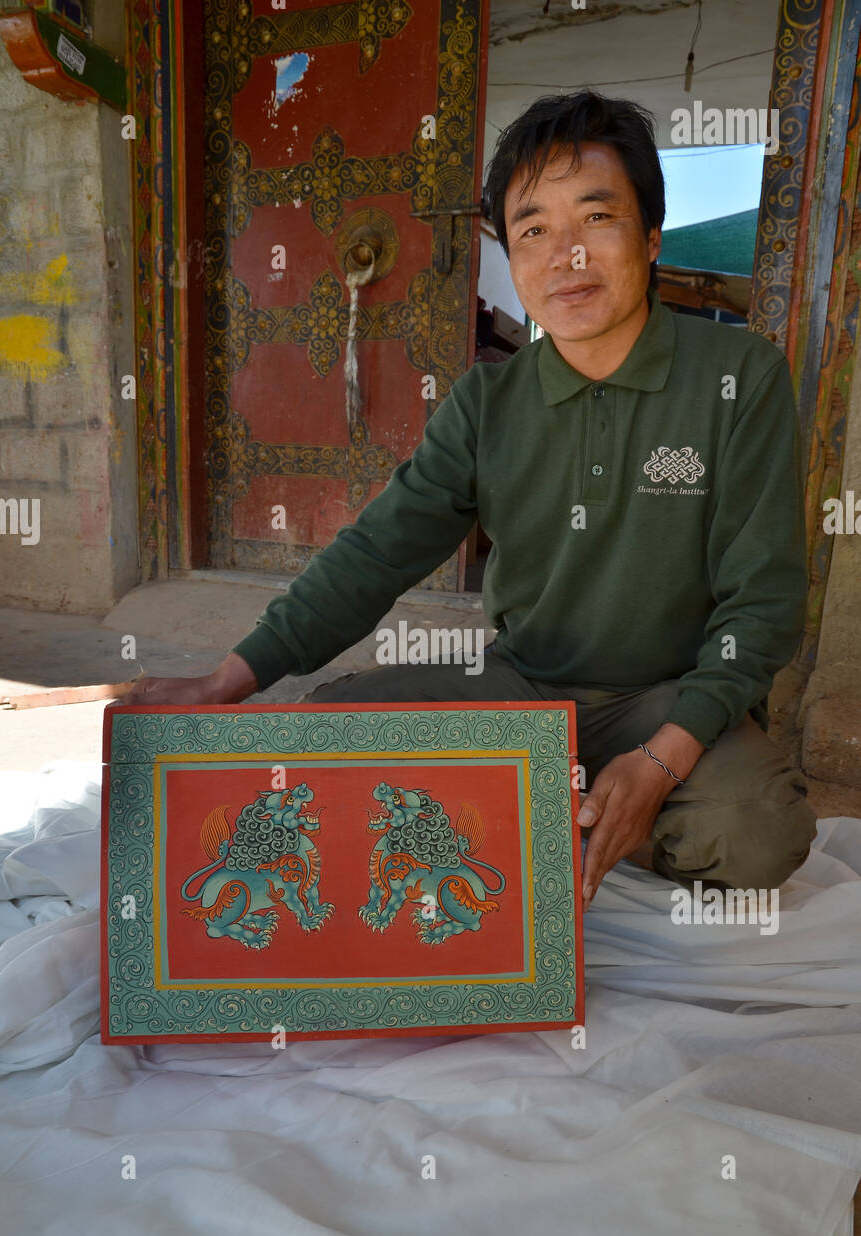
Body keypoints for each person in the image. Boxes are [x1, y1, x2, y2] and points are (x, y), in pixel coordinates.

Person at [123, 90, 817, 910]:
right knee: (315, 748)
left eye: (596, 219)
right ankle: (558, 811)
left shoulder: (740, 380)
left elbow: (764, 601)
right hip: (520, 690)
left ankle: (577, 809)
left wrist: (664, 759)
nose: (567, 256)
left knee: (759, 833)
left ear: (651, 235)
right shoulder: (487, 405)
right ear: (513, 260)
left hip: (668, 697)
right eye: (533, 231)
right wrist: (230, 678)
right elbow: (376, 553)